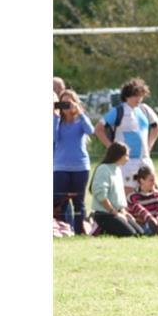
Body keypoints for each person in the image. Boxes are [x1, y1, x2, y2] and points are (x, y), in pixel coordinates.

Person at [95, 77, 158, 194]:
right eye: (135, 95)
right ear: (127, 96)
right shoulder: (118, 111)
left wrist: (150, 144)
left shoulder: (144, 109)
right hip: (126, 161)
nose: (139, 99)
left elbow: (156, 126)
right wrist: (111, 147)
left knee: (155, 190)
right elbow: (99, 129)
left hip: (144, 158)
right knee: (129, 194)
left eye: (141, 95)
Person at [54, 88, 96, 235]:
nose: (65, 106)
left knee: (79, 202)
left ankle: (80, 230)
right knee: (61, 201)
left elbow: (91, 131)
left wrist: (80, 113)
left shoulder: (80, 121)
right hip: (61, 167)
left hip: (80, 166)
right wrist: (55, 117)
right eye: (62, 103)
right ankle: (64, 229)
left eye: (68, 103)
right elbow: (54, 138)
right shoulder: (57, 122)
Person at [89, 143, 141, 237]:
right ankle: (100, 229)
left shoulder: (117, 170)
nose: (128, 158)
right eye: (126, 155)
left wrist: (124, 213)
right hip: (105, 214)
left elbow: (118, 198)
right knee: (130, 235)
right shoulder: (103, 169)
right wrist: (115, 213)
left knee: (140, 233)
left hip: (117, 212)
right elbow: (101, 195)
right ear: (119, 155)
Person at [127, 165, 158, 236]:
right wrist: (150, 219)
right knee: (143, 226)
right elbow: (141, 211)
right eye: (151, 180)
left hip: (156, 220)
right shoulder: (132, 197)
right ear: (142, 180)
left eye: (154, 180)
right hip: (143, 222)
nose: (153, 183)